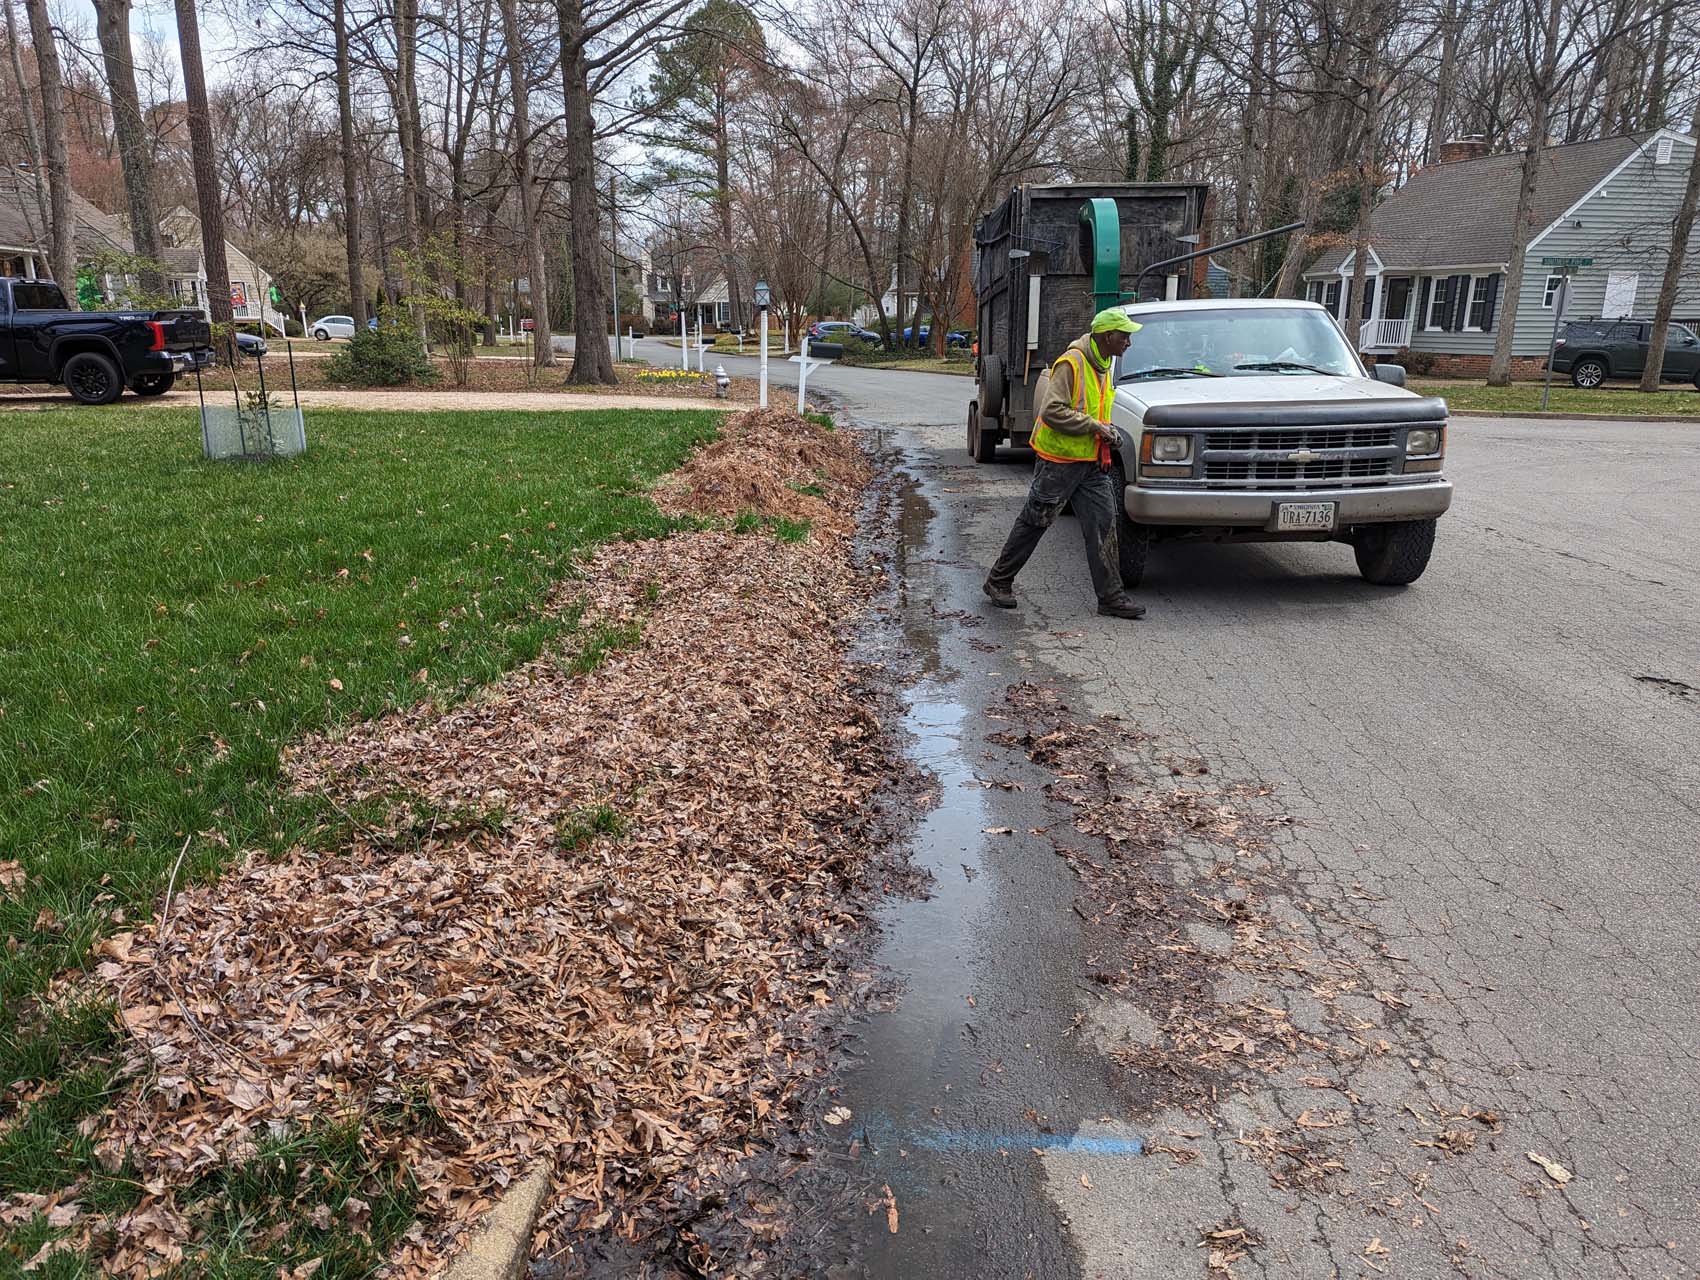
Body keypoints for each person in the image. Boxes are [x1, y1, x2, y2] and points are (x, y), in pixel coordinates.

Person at [983, 309, 1147, 620]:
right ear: (1107, 336)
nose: (1128, 342)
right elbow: (1052, 411)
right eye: (1124, 336)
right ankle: (998, 581)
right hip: (1058, 462)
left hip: (1090, 463)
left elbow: (1094, 409)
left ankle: (1111, 598)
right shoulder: (1072, 363)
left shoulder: (1103, 364)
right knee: (1034, 523)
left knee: (1104, 525)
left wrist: (1108, 432)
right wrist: (1095, 427)